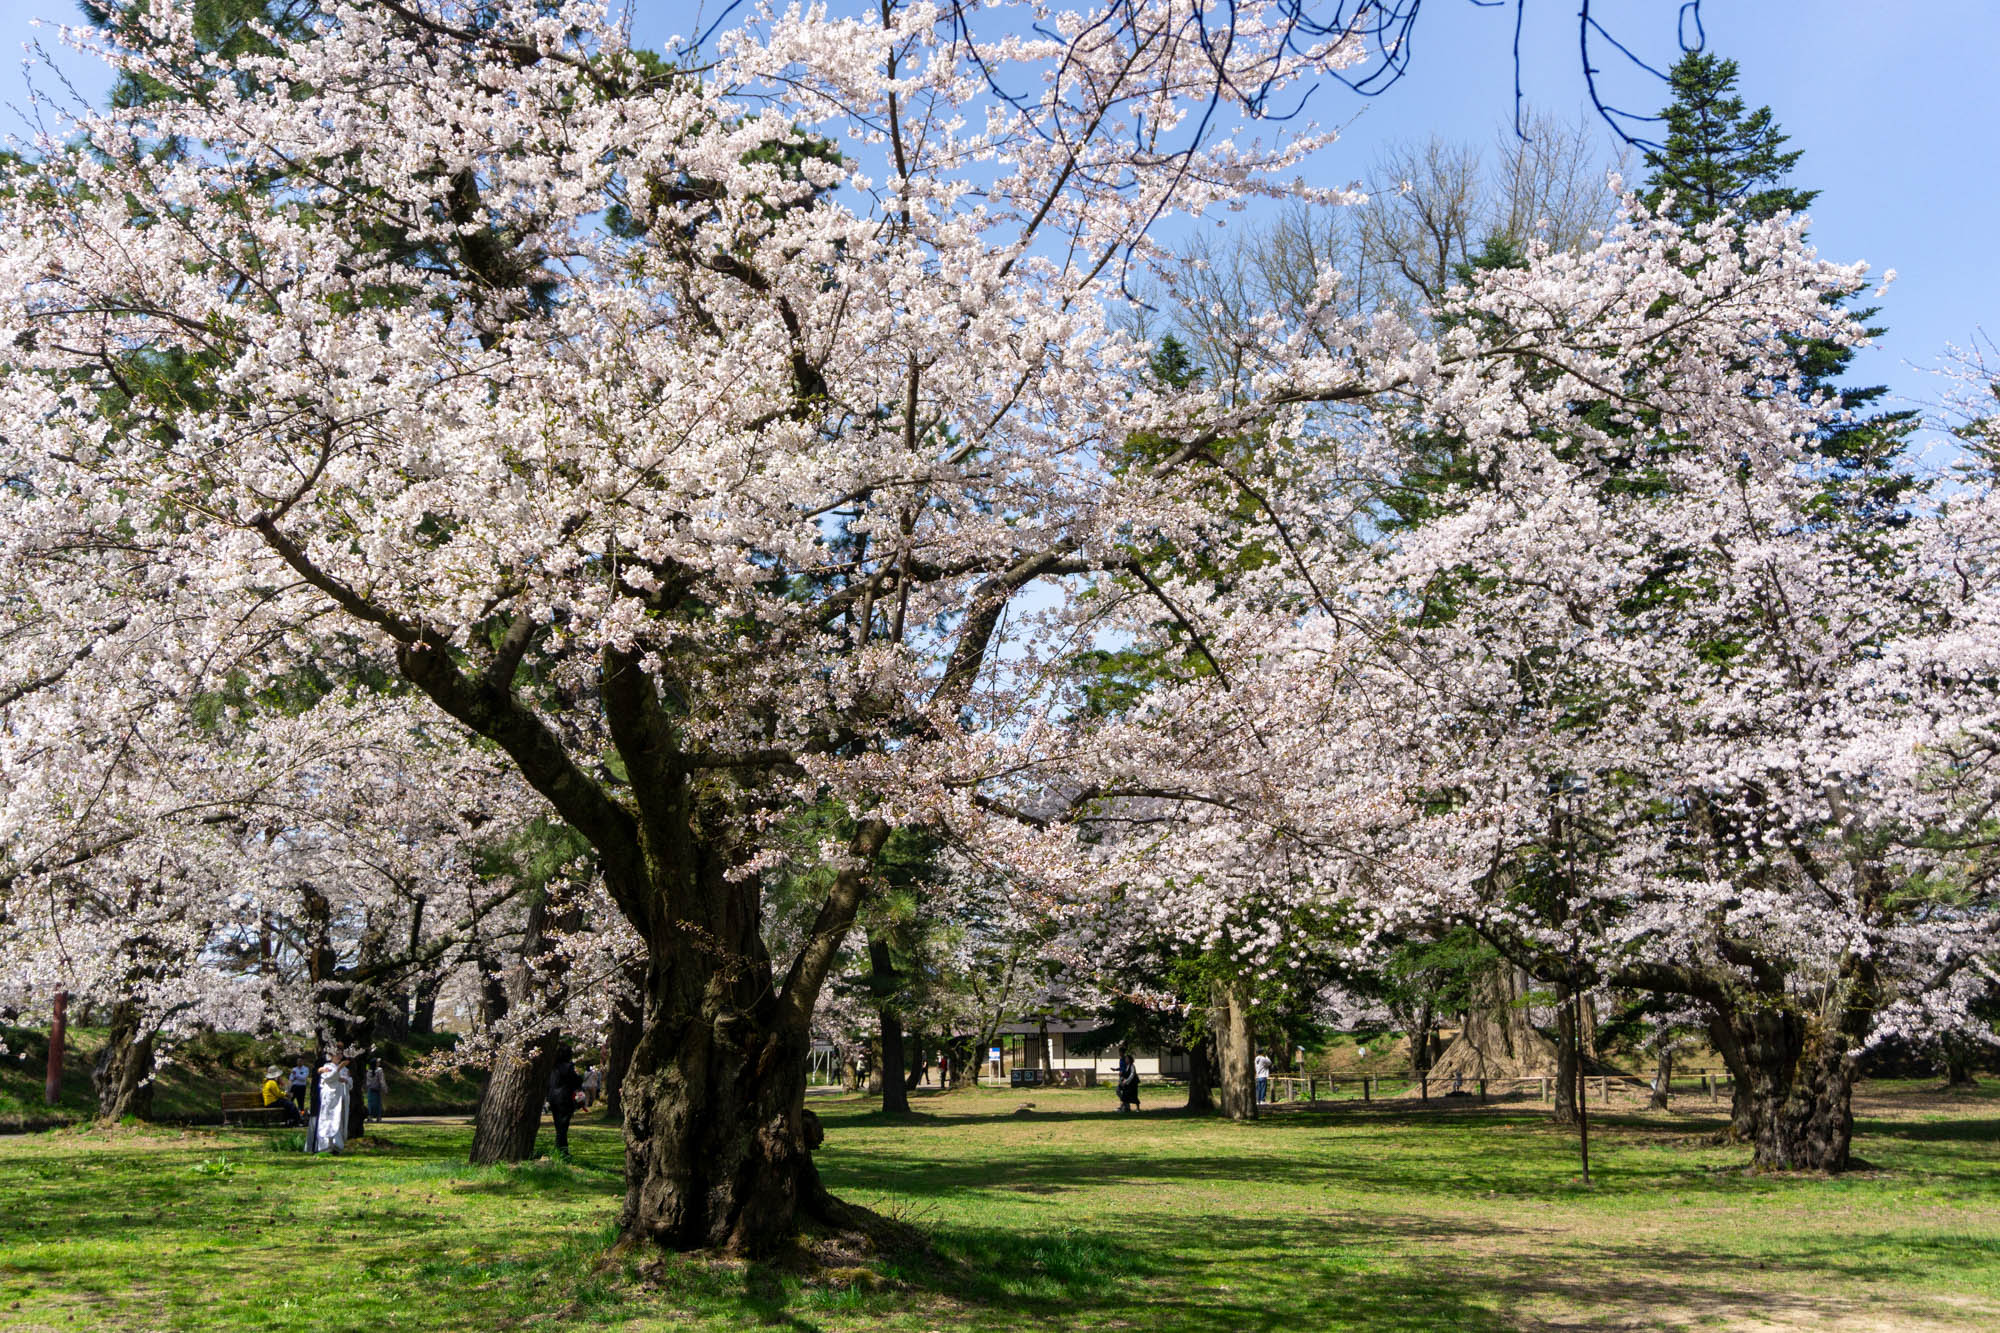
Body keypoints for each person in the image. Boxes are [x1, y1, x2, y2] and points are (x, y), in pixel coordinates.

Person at [546, 1048, 584, 1158]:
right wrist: (579, 1078)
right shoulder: (568, 1067)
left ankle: (560, 1149)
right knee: (563, 1126)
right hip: (564, 1098)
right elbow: (575, 1081)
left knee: (559, 1125)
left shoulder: (552, 1067)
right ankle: (562, 1151)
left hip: (553, 1097)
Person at [312, 1052, 352, 1154]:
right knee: (328, 1119)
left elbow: (350, 1082)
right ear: (331, 1056)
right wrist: (338, 1070)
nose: (339, 1057)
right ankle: (326, 1145)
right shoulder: (327, 1066)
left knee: (339, 1120)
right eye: (336, 1055)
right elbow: (329, 1078)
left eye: (340, 1055)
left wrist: (346, 1080)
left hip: (341, 1097)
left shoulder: (345, 1069)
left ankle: (337, 1145)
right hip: (330, 1098)